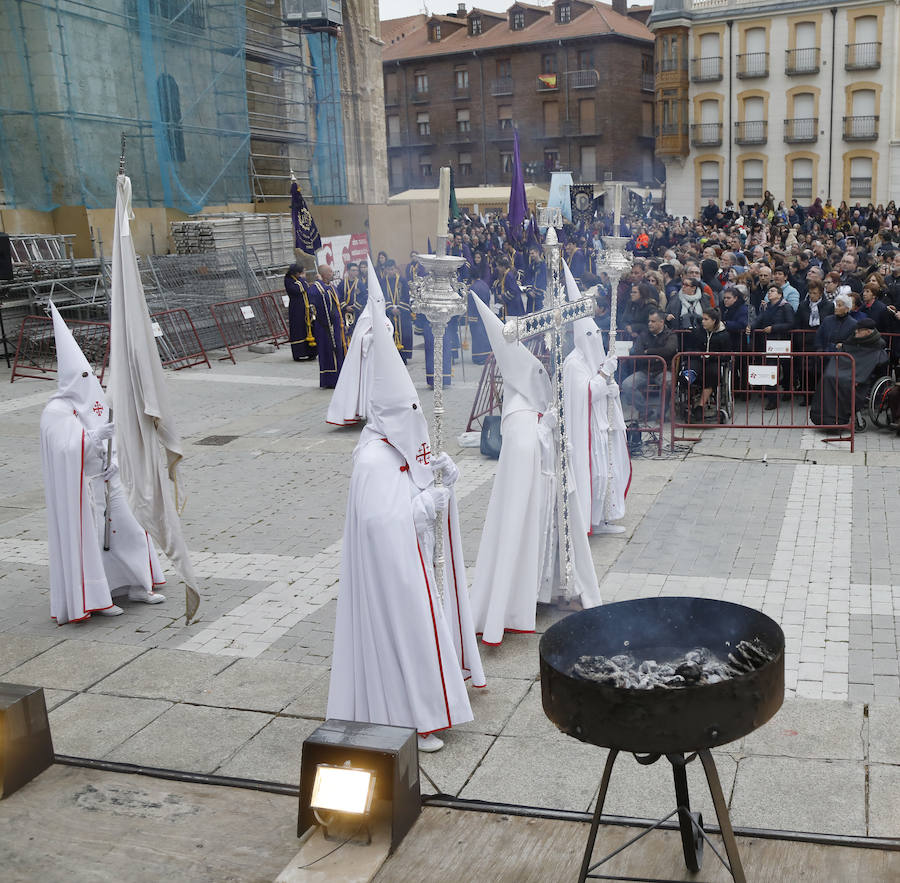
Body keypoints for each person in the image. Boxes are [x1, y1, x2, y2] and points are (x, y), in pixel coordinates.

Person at [326, 293, 485, 753]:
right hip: (394, 576)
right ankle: (412, 718)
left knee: (424, 631)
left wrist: (445, 484)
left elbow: (420, 490)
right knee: (411, 633)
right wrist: (423, 506)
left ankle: (429, 709)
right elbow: (381, 525)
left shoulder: (396, 446)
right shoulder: (374, 458)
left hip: (412, 564)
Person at [469, 295, 601, 643]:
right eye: (536, 373)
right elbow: (526, 446)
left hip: (550, 486)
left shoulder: (532, 397)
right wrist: (549, 429)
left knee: (554, 538)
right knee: (527, 537)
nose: (540, 375)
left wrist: (553, 429)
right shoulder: (516, 410)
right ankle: (517, 602)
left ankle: (559, 590)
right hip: (532, 493)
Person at [41, 304, 166, 624]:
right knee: (93, 543)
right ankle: (98, 595)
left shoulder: (95, 397)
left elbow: (115, 434)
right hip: (82, 489)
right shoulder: (56, 411)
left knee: (132, 529)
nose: (87, 380)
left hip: (110, 480)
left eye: (89, 374)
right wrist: (93, 439)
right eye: (81, 376)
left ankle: (138, 583)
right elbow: (64, 450)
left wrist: (114, 460)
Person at [562, 263, 631, 536]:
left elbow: (601, 389)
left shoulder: (594, 357)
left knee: (605, 475)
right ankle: (589, 521)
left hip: (601, 425)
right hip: (586, 428)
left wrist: (611, 391)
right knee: (595, 474)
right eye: (588, 335)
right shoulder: (574, 363)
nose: (594, 339)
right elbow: (587, 393)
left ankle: (602, 519)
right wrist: (605, 374)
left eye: (596, 334)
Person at [326, 260, 388, 427]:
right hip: (367, 359)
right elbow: (362, 340)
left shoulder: (360, 284)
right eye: (352, 270)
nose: (354, 272)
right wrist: (346, 307)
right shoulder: (366, 318)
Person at [620, 310, 677, 420]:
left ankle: (661, 414)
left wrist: (649, 351)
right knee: (627, 384)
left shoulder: (670, 335)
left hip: (663, 370)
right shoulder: (644, 335)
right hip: (645, 371)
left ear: (661, 322)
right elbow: (638, 352)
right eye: (649, 321)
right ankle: (645, 411)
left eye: (653, 321)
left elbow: (669, 350)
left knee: (668, 383)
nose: (650, 323)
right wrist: (657, 354)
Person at [309, 265, 347, 389]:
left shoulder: (331, 286)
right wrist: (318, 281)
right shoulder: (317, 288)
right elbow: (315, 295)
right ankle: (331, 380)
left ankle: (340, 377)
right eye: (330, 271)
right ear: (324, 274)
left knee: (339, 350)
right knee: (329, 352)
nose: (332, 273)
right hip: (326, 326)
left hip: (337, 325)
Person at [382, 260, 413, 363]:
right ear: (385, 270)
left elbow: (406, 296)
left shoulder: (402, 281)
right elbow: (382, 297)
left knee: (404, 334)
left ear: (395, 268)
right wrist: (391, 308)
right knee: (389, 333)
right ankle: (392, 358)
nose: (391, 271)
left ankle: (403, 357)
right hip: (389, 313)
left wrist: (399, 308)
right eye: (388, 269)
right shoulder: (382, 282)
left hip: (402, 313)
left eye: (392, 269)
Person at [284, 264, 316, 362]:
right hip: (296, 309)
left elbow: (306, 287)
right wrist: (302, 280)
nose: (303, 274)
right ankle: (299, 353)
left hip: (305, 308)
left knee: (308, 327)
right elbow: (299, 288)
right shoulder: (288, 280)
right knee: (298, 330)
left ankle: (311, 352)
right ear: (296, 273)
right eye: (302, 272)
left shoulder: (299, 280)